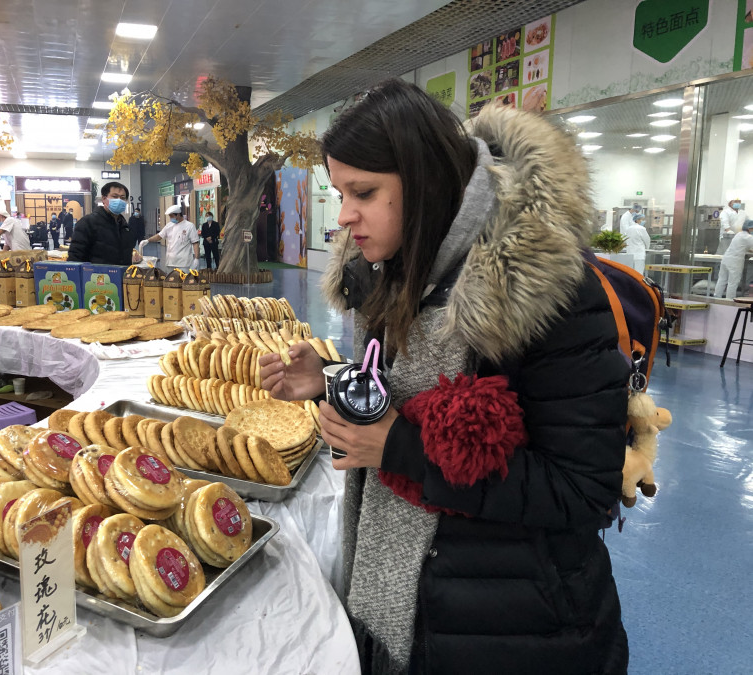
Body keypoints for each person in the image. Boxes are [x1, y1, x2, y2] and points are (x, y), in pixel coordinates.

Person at [259, 80, 629, 674]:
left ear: (426, 180)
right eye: (339, 192)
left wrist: (399, 447)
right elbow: (402, 394)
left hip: (512, 630)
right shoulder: (396, 270)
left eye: (364, 192)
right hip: (409, 611)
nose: (345, 214)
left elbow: (584, 489)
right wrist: (329, 379)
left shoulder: (542, 291)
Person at [67, 182, 135, 265]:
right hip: (96, 276)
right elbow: (75, 257)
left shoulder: (125, 227)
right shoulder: (87, 223)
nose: (119, 200)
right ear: (104, 199)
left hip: (120, 276)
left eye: (122, 198)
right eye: (115, 196)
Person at [146, 204, 200, 271]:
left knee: (183, 280)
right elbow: (159, 236)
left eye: (172, 216)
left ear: (178, 214)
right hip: (170, 262)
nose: (170, 218)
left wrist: (196, 259)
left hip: (184, 263)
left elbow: (195, 243)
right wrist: (148, 240)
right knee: (171, 280)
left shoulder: (189, 226)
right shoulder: (169, 225)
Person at [714, 219, 753, 299]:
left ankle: (716, 298)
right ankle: (729, 301)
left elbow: (742, 246)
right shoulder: (749, 237)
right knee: (733, 283)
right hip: (735, 261)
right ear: (749, 228)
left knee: (722, 280)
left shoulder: (739, 234)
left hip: (726, 259)